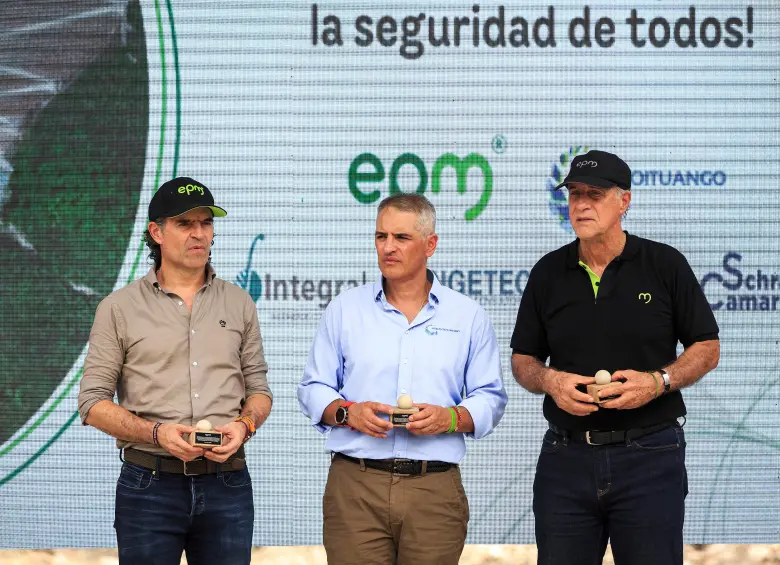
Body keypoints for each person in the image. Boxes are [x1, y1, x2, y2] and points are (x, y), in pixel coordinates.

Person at [511, 150, 720, 565]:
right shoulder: (547, 273)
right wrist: (550, 381)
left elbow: (707, 347)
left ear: (624, 201)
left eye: (595, 193)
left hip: (650, 456)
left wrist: (657, 382)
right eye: (574, 193)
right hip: (565, 458)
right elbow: (523, 361)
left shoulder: (664, 264)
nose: (582, 204)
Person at [298, 193, 507, 565]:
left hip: (434, 490)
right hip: (356, 488)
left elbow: (490, 397)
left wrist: (450, 418)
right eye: (381, 237)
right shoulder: (345, 309)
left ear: (431, 244)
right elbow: (313, 388)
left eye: (401, 238)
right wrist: (348, 413)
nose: (388, 247)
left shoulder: (467, 315)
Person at [78, 177, 272, 565]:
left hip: (227, 481)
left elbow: (260, 391)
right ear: (157, 232)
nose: (199, 233)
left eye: (206, 222)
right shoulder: (118, 308)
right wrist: (156, 433)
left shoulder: (239, 303)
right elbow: (92, 403)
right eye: (185, 224)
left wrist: (245, 426)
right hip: (148, 483)